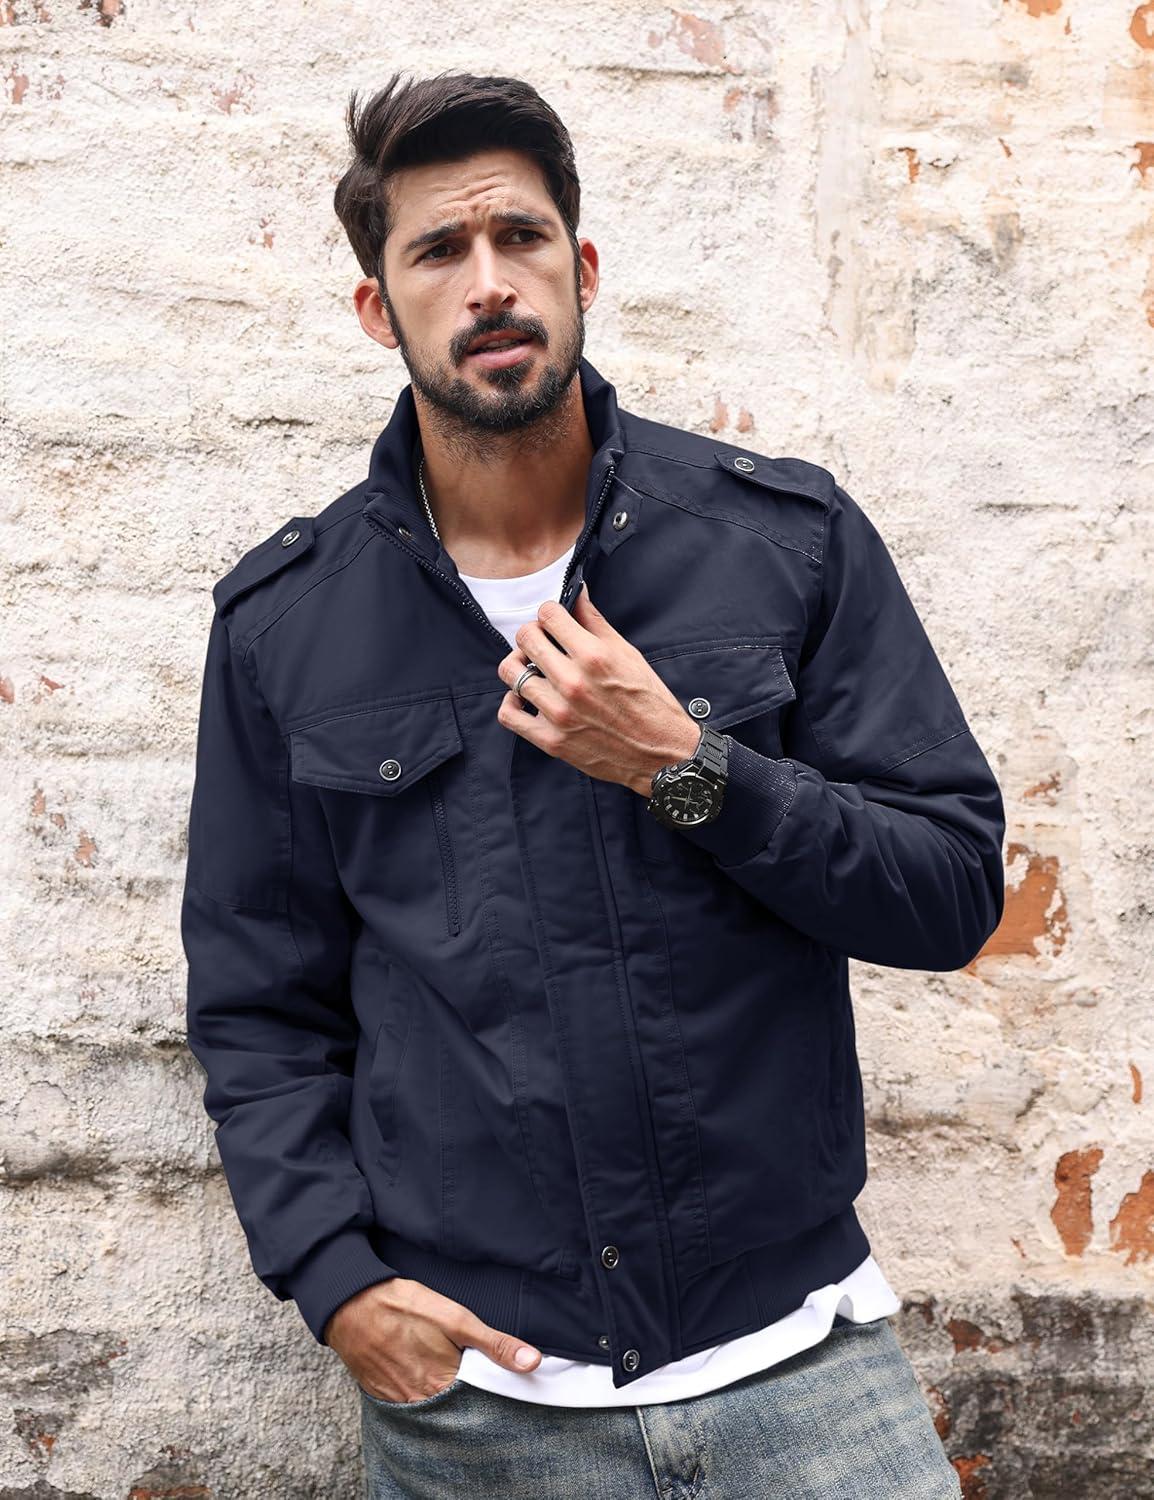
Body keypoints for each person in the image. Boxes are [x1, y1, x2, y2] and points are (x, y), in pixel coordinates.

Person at [181, 68, 1004, 1499]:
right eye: (439, 251)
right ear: (378, 308)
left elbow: (946, 895)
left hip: (800, 1372)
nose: (488, 282)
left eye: (522, 238)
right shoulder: (287, 626)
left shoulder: (780, 543)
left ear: (585, 270)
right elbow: (260, 1004)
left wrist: (689, 770)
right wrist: (332, 1278)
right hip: (480, 1410)